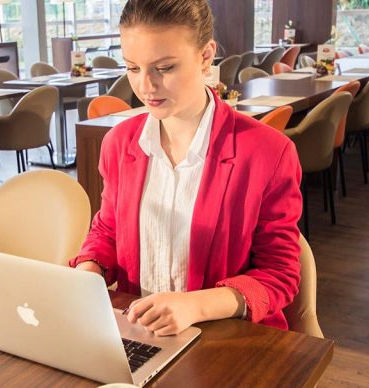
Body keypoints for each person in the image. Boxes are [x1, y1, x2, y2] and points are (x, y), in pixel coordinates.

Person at [70, 0, 302, 335]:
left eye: (164, 68)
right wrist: (90, 268)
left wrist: (195, 305)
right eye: (133, 68)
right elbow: (108, 230)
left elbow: (280, 273)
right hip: (138, 330)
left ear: (206, 56)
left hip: (225, 337)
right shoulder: (119, 144)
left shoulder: (268, 152)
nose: (146, 87)